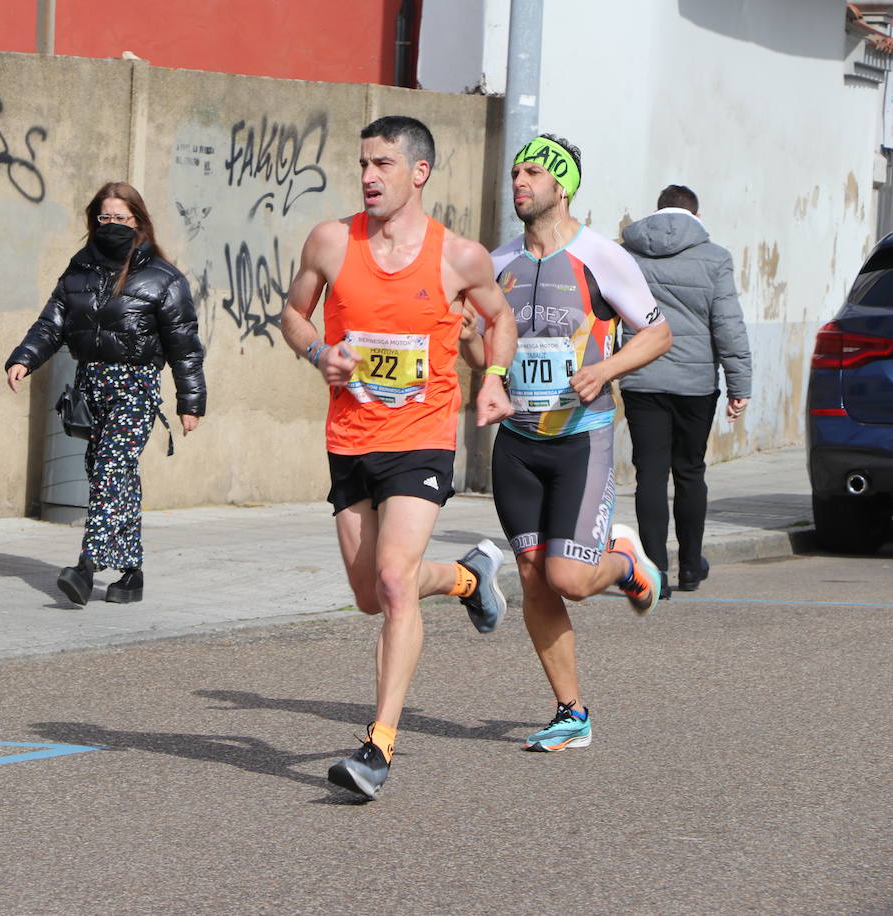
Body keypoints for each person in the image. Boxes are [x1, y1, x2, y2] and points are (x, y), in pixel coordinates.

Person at [279, 115, 518, 800]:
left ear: (419, 172)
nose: (367, 177)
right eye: (362, 164)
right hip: (350, 438)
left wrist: (493, 378)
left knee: (391, 582)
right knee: (368, 596)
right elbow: (294, 313)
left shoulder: (459, 257)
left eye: (382, 163)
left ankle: (378, 746)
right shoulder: (330, 241)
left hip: (422, 435)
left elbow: (501, 320)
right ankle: (469, 579)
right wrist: (319, 351)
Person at [480, 133, 673, 752]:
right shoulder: (496, 263)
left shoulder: (602, 257)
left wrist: (606, 370)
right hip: (516, 442)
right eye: (515, 173)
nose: (520, 183)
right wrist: (475, 352)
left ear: (562, 186)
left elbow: (658, 333)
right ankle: (571, 712)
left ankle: (626, 564)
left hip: (580, 439)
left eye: (533, 173)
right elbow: (479, 346)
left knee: (568, 577)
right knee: (534, 577)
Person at [5, 181, 206, 606]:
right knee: (110, 476)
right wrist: (24, 357)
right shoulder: (79, 269)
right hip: (91, 385)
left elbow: (185, 346)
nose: (112, 224)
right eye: (105, 217)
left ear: (139, 222)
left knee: (112, 469)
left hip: (135, 386)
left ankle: (87, 565)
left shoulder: (163, 278)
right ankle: (131, 573)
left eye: (121, 217)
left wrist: (190, 402)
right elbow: (51, 322)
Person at [619, 185, 752, 598]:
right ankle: (691, 567)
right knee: (691, 471)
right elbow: (727, 324)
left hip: (641, 377)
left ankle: (655, 574)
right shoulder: (715, 258)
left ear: (658, 213)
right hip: (695, 386)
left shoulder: (628, 253)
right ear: (695, 214)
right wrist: (739, 383)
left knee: (651, 475)